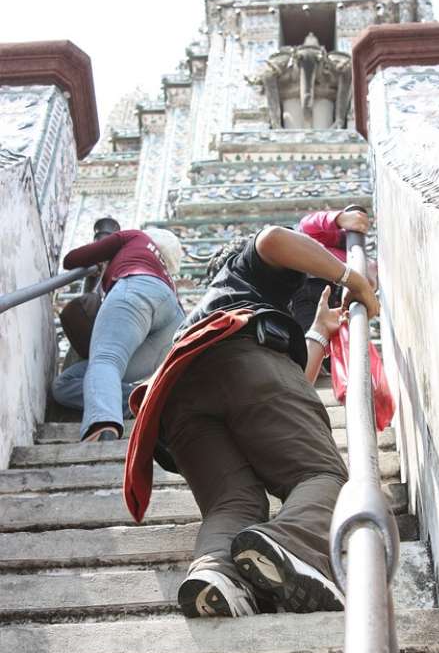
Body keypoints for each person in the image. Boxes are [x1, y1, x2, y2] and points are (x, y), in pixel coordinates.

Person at [124, 216, 379, 618]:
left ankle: (217, 574)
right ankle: (289, 546)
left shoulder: (218, 318)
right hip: (242, 363)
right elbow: (275, 239)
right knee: (320, 475)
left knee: (232, 504)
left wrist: (316, 334)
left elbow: (285, 390)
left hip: (176, 402)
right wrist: (352, 277)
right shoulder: (242, 270)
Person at [52, 226, 185, 442]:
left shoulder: (135, 237)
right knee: (66, 384)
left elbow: (73, 259)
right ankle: (147, 401)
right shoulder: (167, 276)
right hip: (173, 321)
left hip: (137, 288)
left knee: (106, 360)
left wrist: (103, 260)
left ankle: (103, 422)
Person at [291, 206, 374, 334]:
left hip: (339, 298)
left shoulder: (360, 258)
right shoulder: (328, 240)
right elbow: (307, 225)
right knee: (313, 336)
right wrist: (339, 218)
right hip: (309, 285)